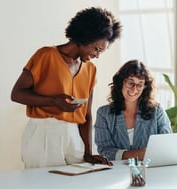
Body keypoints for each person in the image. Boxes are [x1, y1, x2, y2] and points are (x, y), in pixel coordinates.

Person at [11, 7, 122, 168]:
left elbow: (87, 116)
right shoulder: (46, 55)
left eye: (101, 52)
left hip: (73, 135)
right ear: (85, 37)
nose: (97, 55)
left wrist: (88, 152)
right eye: (96, 49)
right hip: (44, 133)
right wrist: (53, 101)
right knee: (42, 183)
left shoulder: (90, 70)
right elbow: (17, 94)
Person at [94, 59, 172, 161]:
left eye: (140, 84)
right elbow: (104, 150)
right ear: (121, 82)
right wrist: (136, 154)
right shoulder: (103, 114)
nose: (134, 89)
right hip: (116, 172)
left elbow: (166, 143)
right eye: (130, 83)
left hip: (150, 170)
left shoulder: (157, 111)